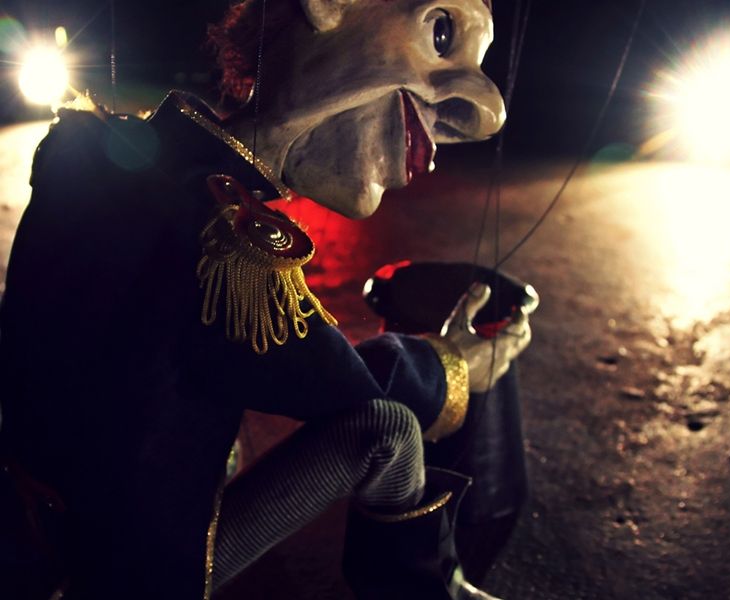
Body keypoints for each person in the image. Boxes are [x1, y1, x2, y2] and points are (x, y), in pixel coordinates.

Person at [0, 0, 530, 599]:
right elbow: (348, 387)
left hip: (26, 519)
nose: (486, 113)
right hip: (117, 567)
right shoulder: (217, 229)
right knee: (389, 429)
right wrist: (451, 362)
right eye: (441, 32)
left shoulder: (102, 146)